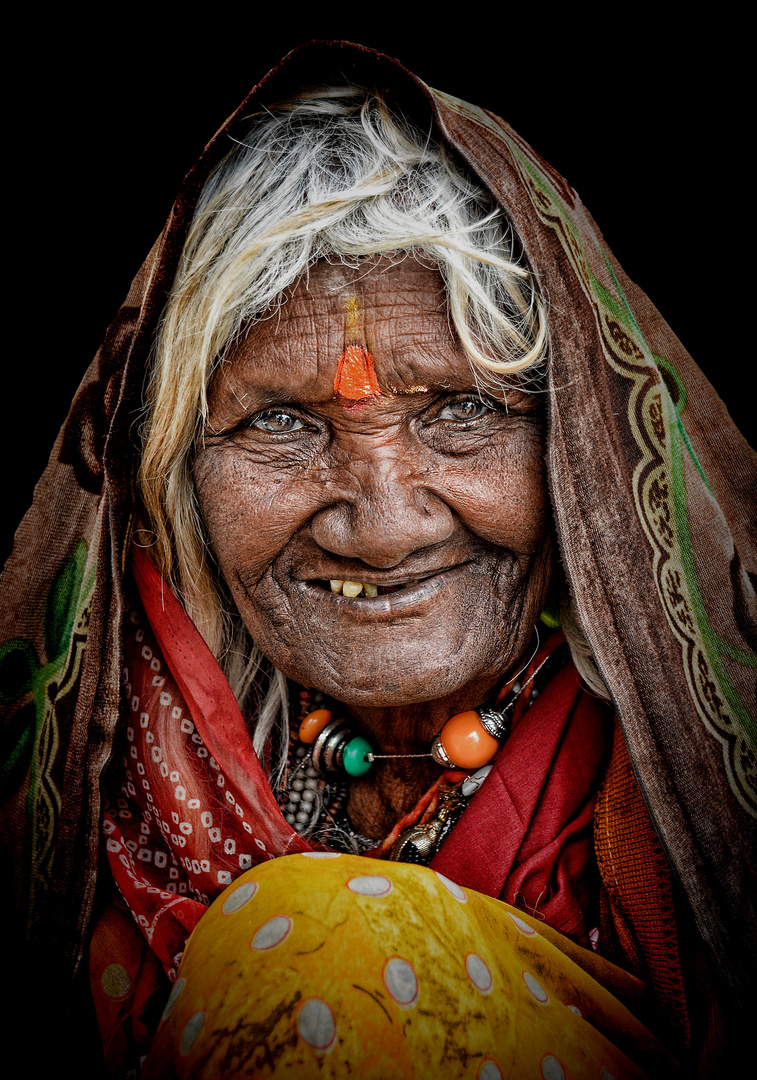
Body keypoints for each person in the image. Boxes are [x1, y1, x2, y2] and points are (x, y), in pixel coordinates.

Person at [1, 40, 754, 1077]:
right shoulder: (101, 771)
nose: (386, 524)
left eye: (463, 409)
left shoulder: (678, 805)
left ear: (578, 451)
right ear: (176, 466)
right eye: (280, 424)